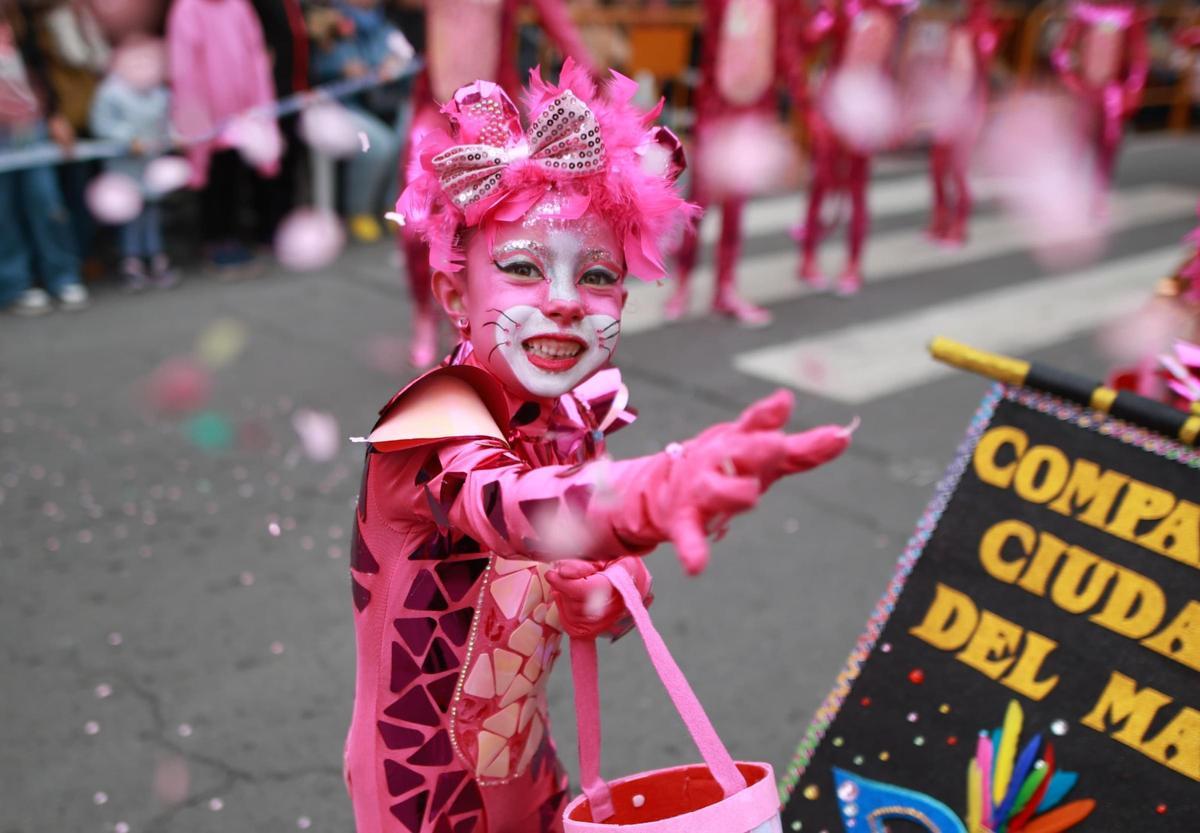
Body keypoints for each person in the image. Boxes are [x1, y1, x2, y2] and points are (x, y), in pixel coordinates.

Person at [343, 61, 854, 833]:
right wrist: (655, 489)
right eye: (522, 268)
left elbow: (570, 567)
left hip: (526, 762)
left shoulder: (569, 418)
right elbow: (518, 508)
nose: (562, 301)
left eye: (597, 275)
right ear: (454, 296)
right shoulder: (435, 423)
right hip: (417, 787)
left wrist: (612, 589)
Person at [396, 0, 599, 367]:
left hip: (492, 119)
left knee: (483, 230)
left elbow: (557, 21)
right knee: (414, 223)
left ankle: (468, 322)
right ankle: (424, 314)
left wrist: (593, 80)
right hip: (434, 110)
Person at [665, 0, 803, 326]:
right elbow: (712, 51)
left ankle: (724, 288)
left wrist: (801, 105)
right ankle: (683, 283)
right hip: (716, 109)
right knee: (699, 202)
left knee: (735, 207)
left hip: (751, 112)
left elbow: (784, 49)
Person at [795, 0, 915, 296]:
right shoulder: (844, 6)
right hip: (834, 104)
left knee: (857, 189)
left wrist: (899, 109)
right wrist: (824, 16)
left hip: (867, 109)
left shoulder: (895, 10)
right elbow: (807, 43)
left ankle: (853, 264)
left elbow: (898, 62)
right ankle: (808, 258)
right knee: (821, 183)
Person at [166, 0, 282, 271]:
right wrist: (195, 118)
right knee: (213, 179)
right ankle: (215, 241)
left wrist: (259, 105)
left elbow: (255, 55)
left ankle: (233, 237)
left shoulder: (239, 6)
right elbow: (184, 68)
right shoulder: (187, 9)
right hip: (208, 116)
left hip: (242, 113)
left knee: (233, 175)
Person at [0, 0, 89, 315]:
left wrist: (53, 114)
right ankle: (15, 284)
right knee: (3, 212)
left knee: (46, 201)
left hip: (30, 126)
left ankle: (62, 276)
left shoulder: (20, 24)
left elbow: (40, 71)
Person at [310, 0, 408, 243]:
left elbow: (403, 56)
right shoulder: (327, 21)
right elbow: (320, 65)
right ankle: (359, 210)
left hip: (384, 102)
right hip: (342, 107)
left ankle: (393, 205)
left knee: (407, 136)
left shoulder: (384, 24)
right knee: (377, 145)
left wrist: (393, 66)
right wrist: (343, 66)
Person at [89, 34, 177, 289]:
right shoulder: (110, 91)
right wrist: (129, 139)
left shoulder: (158, 92)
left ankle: (155, 255)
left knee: (152, 211)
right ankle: (132, 260)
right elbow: (102, 124)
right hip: (124, 166)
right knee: (129, 213)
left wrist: (173, 135)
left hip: (151, 163)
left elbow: (168, 119)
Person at [1050, 0, 1148, 200]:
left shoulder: (1128, 16)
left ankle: (1098, 192)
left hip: (1112, 93)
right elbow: (1061, 52)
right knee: (1077, 139)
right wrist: (1071, 81)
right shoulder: (1084, 12)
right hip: (1084, 91)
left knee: (1109, 140)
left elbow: (1139, 59)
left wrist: (1131, 91)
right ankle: (1070, 191)